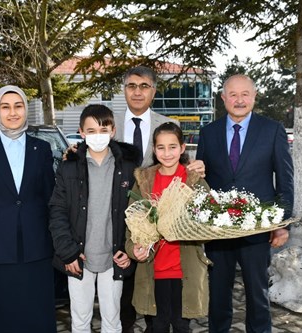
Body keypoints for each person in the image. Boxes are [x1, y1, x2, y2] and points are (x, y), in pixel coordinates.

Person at [195, 74, 294, 333]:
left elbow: (285, 182)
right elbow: (201, 185)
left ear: (254, 96)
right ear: (223, 98)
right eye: (233, 94)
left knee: (258, 295)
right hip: (218, 231)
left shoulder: (272, 130)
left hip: (258, 231)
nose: (239, 100)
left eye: (245, 94)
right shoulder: (208, 133)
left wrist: (282, 224)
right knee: (218, 296)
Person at [115, 65, 207, 333]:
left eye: (144, 86)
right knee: (130, 303)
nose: (137, 91)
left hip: (174, 251)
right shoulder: (110, 124)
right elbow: (92, 149)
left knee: (176, 318)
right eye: (132, 86)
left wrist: (196, 172)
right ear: (124, 90)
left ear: (154, 90)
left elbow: (190, 180)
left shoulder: (169, 125)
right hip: (125, 221)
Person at [0, 85, 57, 333]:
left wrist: (59, 243)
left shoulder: (42, 149)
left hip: (36, 250)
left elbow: (51, 201)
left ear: (26, 109)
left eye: (18, 106)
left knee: (35, 317)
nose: (13, 113)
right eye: (6, 107)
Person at [49, 104, 138, 333]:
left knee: (112, 321)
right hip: (79, 257)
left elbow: (139, 211)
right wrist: (67, 251)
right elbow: (57, 211)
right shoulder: (68, 167)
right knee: (80, 321)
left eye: (103, 130)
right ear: (81, 132)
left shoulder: (128, 167)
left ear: (113, 131)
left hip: (114, 257)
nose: (98, 136)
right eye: (91, 131)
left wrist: (128, 251)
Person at [125, 122, 211, 333]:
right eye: (161, 147)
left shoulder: (194, 180)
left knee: (182, 325)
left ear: (183, 148)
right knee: (157, 325)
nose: (167, 153)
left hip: (184, 269)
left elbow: (210, 221)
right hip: (153, 269)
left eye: (172, 146)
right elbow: (132, 220)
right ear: (154, 150)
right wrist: (132, 248)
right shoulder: (144, 179)